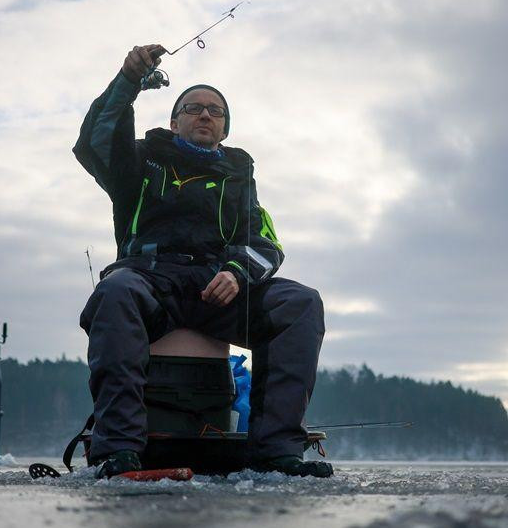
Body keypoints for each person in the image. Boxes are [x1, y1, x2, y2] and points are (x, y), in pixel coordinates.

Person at [73, 44, 332, 479]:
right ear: (175, 121)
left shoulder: (240, 178)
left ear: (225, 128)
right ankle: (117, 449)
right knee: (115, 292)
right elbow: (94, 141)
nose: (205, 115)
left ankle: (275, 452)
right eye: (193, 107)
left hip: (218, 289)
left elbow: (265, 242)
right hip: (150, 283)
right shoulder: (139, 162)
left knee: (301, 304)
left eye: (215, 110)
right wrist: (126, 81)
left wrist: (236, 271)